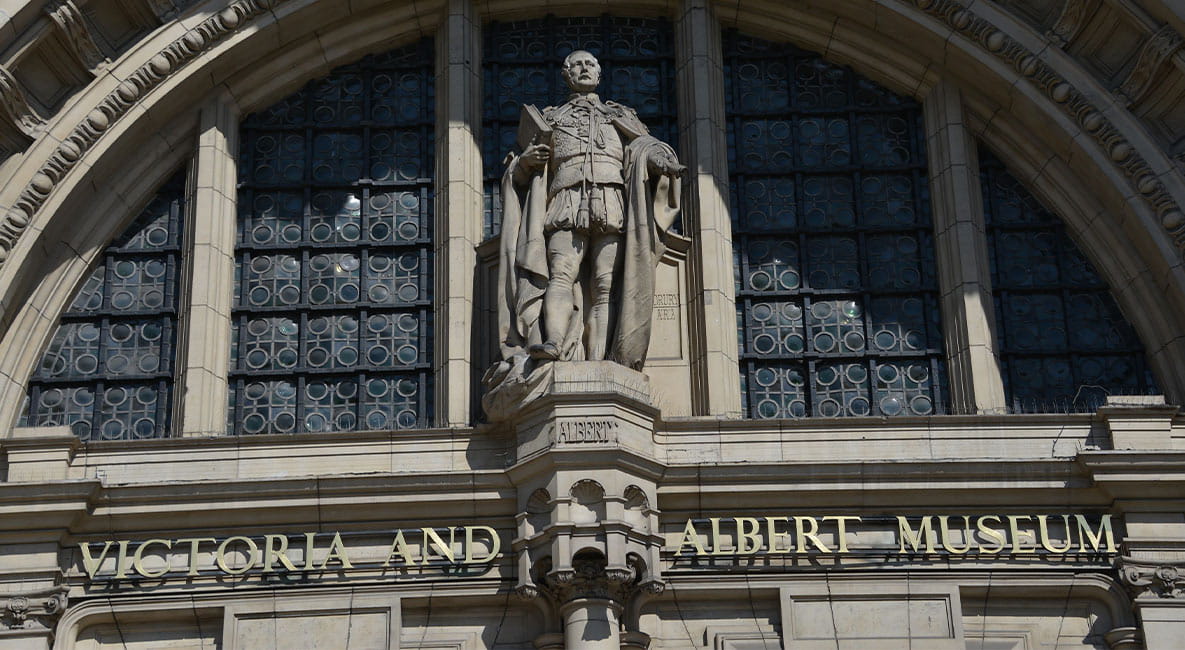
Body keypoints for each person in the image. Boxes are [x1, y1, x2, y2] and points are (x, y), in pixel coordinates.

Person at [484, 50, 684, 418]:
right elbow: (518, 171)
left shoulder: (620, 116)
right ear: (566, 74)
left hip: (610, 199)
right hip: (565, 197)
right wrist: (527, 163)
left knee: (604, 285)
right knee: (562, 273)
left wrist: (658, 158)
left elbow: (645, 147)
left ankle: (600, 360)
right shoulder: (550, 119)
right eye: (576, 64)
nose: (584, 68)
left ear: (600, 72)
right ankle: (555, 343)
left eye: (591, 63)